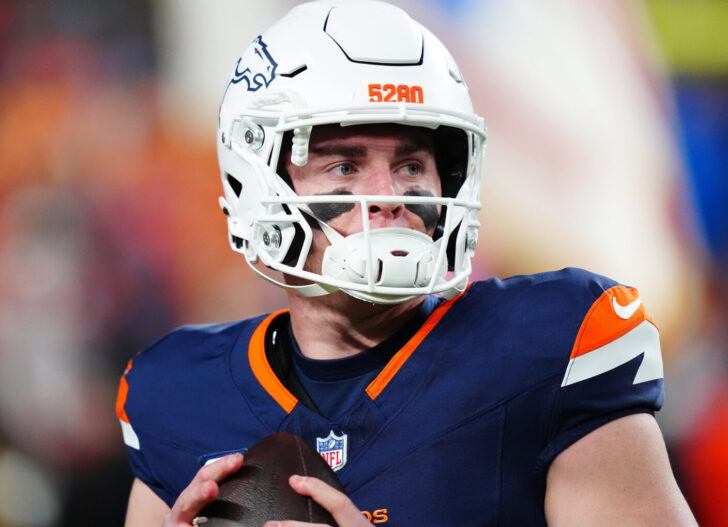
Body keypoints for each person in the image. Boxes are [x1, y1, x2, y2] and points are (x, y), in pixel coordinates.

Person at [117, 1, 697, 525]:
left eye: (412, 165)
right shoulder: (176, 394)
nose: (390, 194)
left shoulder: (548, 351)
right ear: (259, 184)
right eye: (345, 167)